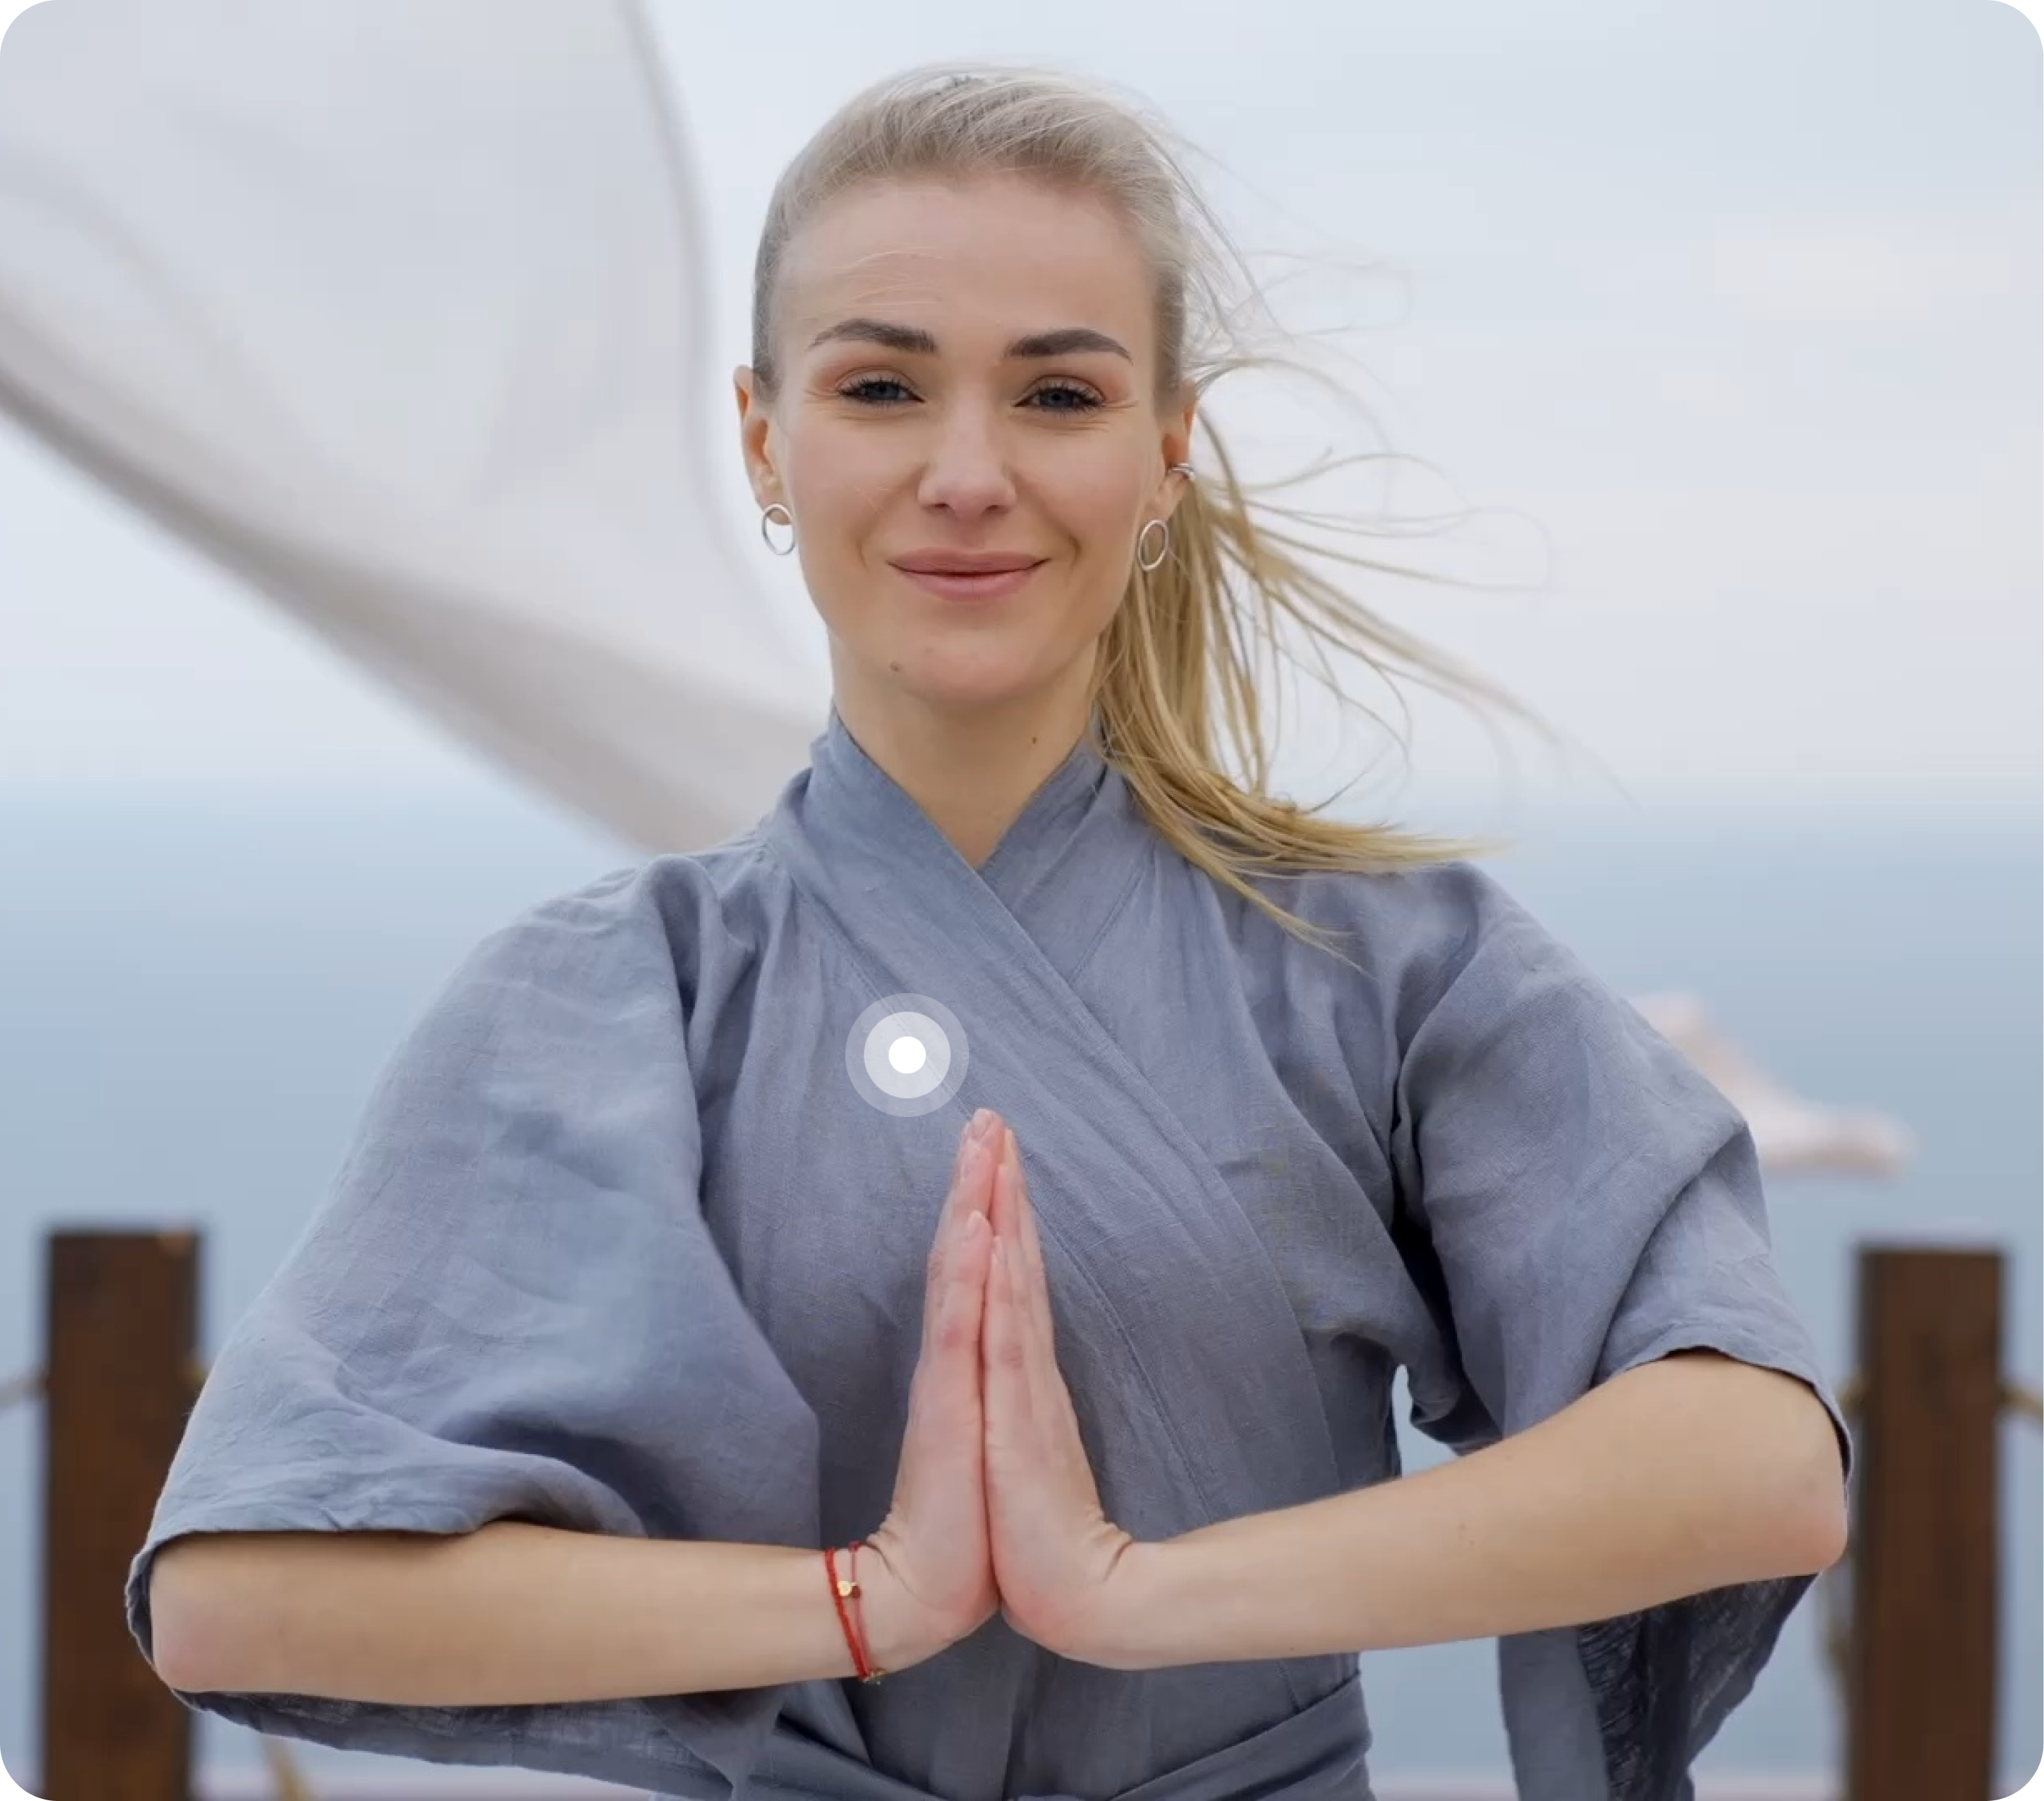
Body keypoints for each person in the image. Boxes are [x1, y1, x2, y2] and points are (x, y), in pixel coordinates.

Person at [129, 62, 1850, 1801]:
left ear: (1165, 449)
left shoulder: (1383, 962)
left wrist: (1140, 1593)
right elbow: (237, 1592)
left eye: (1056, 393)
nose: (966, 472)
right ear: (761, 438)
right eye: (880, 384)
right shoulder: (620, 991)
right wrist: (860, 1601)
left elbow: (1754, 1456)